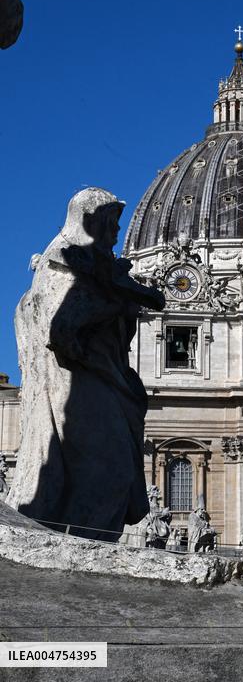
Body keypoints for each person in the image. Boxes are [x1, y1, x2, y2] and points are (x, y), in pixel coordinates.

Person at [8, 188, 164, 541]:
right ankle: (75, 548)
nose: (119, 231)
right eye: (113, 222)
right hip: (76, 383)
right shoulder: (62, 261)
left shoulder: (94, 266)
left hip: (102, 378)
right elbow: (61, 328)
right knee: (108, 470)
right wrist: (118, 302)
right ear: (92, 221)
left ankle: (83, 545)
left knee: (112, 471)